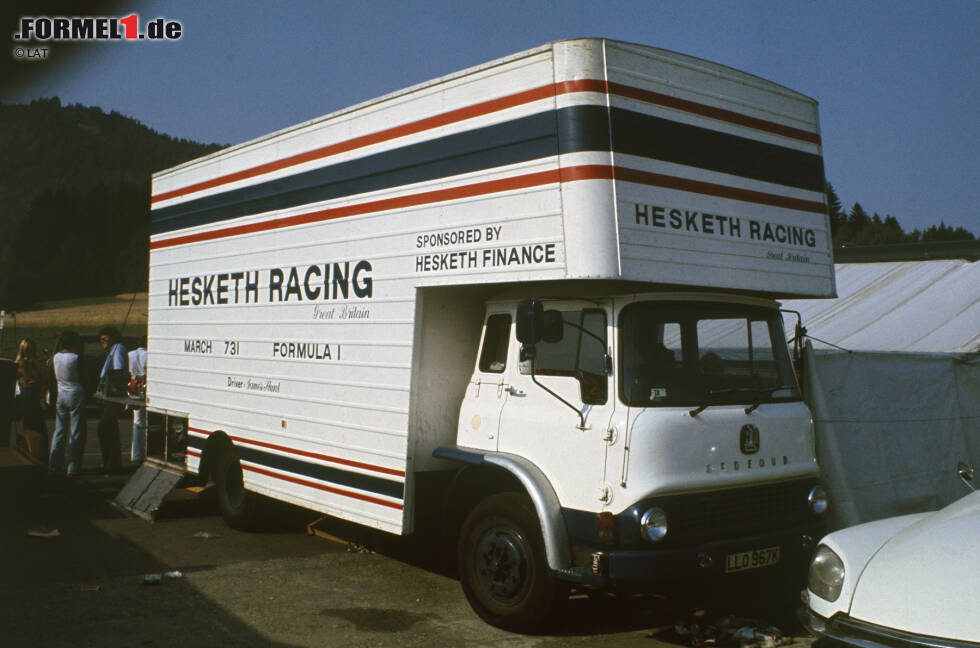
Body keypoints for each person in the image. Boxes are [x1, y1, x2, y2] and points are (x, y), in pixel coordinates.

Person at [48, 331, 85, 478]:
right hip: (75, 392)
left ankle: (53, 464)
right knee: (75, 431)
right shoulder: (76, 358)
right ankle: (72, 466)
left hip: (61, 393)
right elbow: (83, 376)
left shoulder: (56, 357)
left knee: (59, 430)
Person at [97, 326, 128, 473]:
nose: (102, 340)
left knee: (106, 428)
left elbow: (118, 372)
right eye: (101, 338)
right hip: (107, 395)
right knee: (109, 429)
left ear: (113, 337)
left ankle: (111, 464)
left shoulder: (118, 349)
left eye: (105, 337)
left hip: (113, 396)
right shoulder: (112, 350)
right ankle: (111, 463)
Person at [14, 337, 47, 451]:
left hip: (30, 396)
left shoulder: (27, 362)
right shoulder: (24, 363)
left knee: (31, 426)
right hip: (29, 396)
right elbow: (30, 380)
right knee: (33, 428)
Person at [128, 338, 147, 463]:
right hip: (143, 385)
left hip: (132, 384)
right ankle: (140, 453)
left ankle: (136, 453)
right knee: (143, 420)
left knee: (137, 420)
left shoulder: (130, 354)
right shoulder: (147, 354)